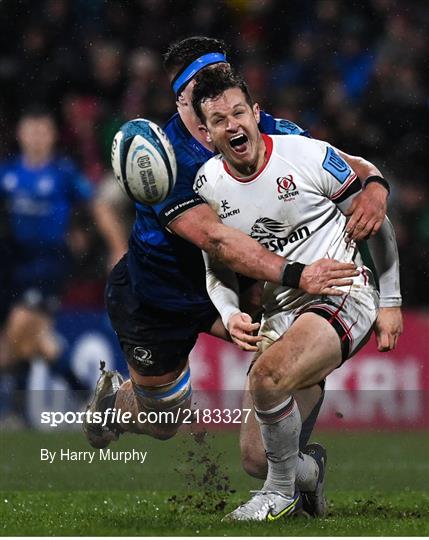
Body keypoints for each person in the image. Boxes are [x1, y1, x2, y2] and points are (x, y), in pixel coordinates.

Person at [83, 37, 390, 511]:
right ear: (185, 99)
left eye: (225, 80)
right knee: (164, 420)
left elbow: (337, 163)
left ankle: (296, 474)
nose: (222, 98)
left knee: (259, 451)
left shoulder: (259, 126)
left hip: (244, 291)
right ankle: (113, 410)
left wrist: (373, 186)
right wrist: (298, 274)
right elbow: (220, 243)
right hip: (158, 296)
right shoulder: (164, 159)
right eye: (206, 90)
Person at [191, 67, 403, 520]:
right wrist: (229, 313)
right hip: (282, 314)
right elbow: (217, 270)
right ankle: (307, 473)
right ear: (208, 134)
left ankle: (281, 497)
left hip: (344, 291)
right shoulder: (207, 186)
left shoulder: (306, 155)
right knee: (256, 458)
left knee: (266, 376)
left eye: (238, 112)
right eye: (219, 120)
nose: (233, 125)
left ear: (256, 113)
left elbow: (374, 221)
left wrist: (391, 301)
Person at [0, 107, 127, 423]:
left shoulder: (64, 173)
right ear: (21, 134)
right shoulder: (8, 172)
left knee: (18, 331)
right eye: (32, 130)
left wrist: (117, 247)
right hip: (13, 264)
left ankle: (14, 410)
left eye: (43, 131)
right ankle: (93, 397)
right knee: (38, 343)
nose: (37, 137)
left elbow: (97, 206)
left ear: (53, 136)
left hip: (49, 264)